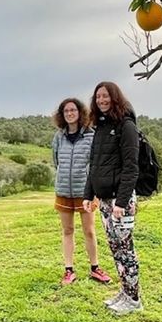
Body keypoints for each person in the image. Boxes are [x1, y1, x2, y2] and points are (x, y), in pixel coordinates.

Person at [83, 81, 143, 315]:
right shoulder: (99, 127)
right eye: (98, 97)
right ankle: (125, 292)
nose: (101, 100)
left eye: (106, 96)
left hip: (121, 201)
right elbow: (94, 166)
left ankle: (134, 299)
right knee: (116, 248)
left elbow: (131, 167)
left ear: (115, 97)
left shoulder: (126, 126)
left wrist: (121, 202)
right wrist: (89, 194)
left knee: (126, 250)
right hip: (106, 201)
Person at [51, 97, 111, 286]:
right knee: (67, 230)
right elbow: (56, 162)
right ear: (62, 115)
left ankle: (95, 268)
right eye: (66, 111)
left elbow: (94, 165)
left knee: (89, 231)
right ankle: (69, 270)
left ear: (80, 113)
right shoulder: (58, 137)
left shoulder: (91, 136)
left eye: (73, 110)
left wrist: (91, 189)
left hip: (85, 192)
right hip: (63, 191)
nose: (69, 113)